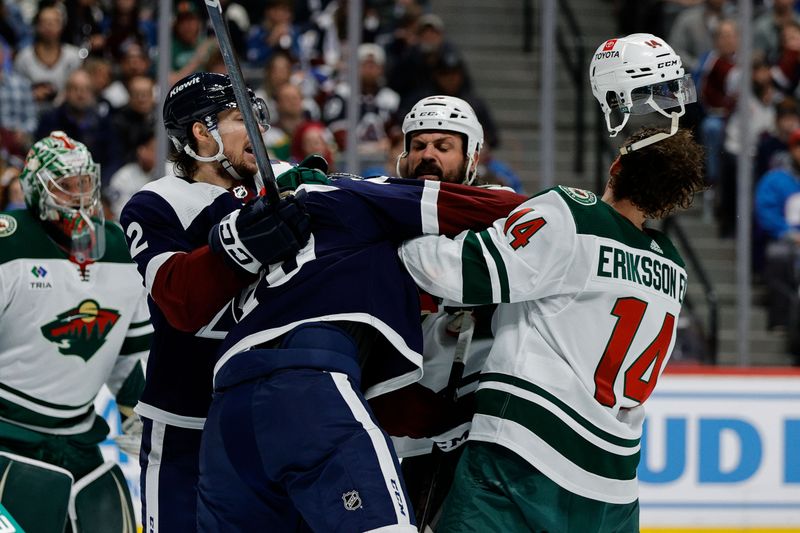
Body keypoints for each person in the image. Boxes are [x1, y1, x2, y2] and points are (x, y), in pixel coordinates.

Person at [397, 33, 705, 532]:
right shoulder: (673, 267)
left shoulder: (572, 214)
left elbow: (453, 272)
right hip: (615, 491)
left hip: (526, 459)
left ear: (616, 166)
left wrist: (390, 233)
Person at [195, 131, 528, 529]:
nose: (428, 157)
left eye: (442, 147)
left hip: (226, 401)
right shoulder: (364, 193)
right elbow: (493, 207)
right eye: (420, 145)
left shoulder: (254, 225)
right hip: (307, 377)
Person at [119, 72, 310, 532]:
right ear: (202, 134)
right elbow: (179, 299)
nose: (259, 130)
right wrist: (245, 226)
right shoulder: (155, 203)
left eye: (257, 117)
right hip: (186, 420)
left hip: (274, 419)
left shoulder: (282, 189)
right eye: (239, 118)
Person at [0, 131, 153, 532]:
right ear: (36, 187)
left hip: (82, 444)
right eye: (65, 186)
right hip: (8, 438)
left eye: (84, 183)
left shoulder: (120, 248)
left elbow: (133, 353)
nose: (78, 196)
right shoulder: (7, 243)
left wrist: (141, 417)